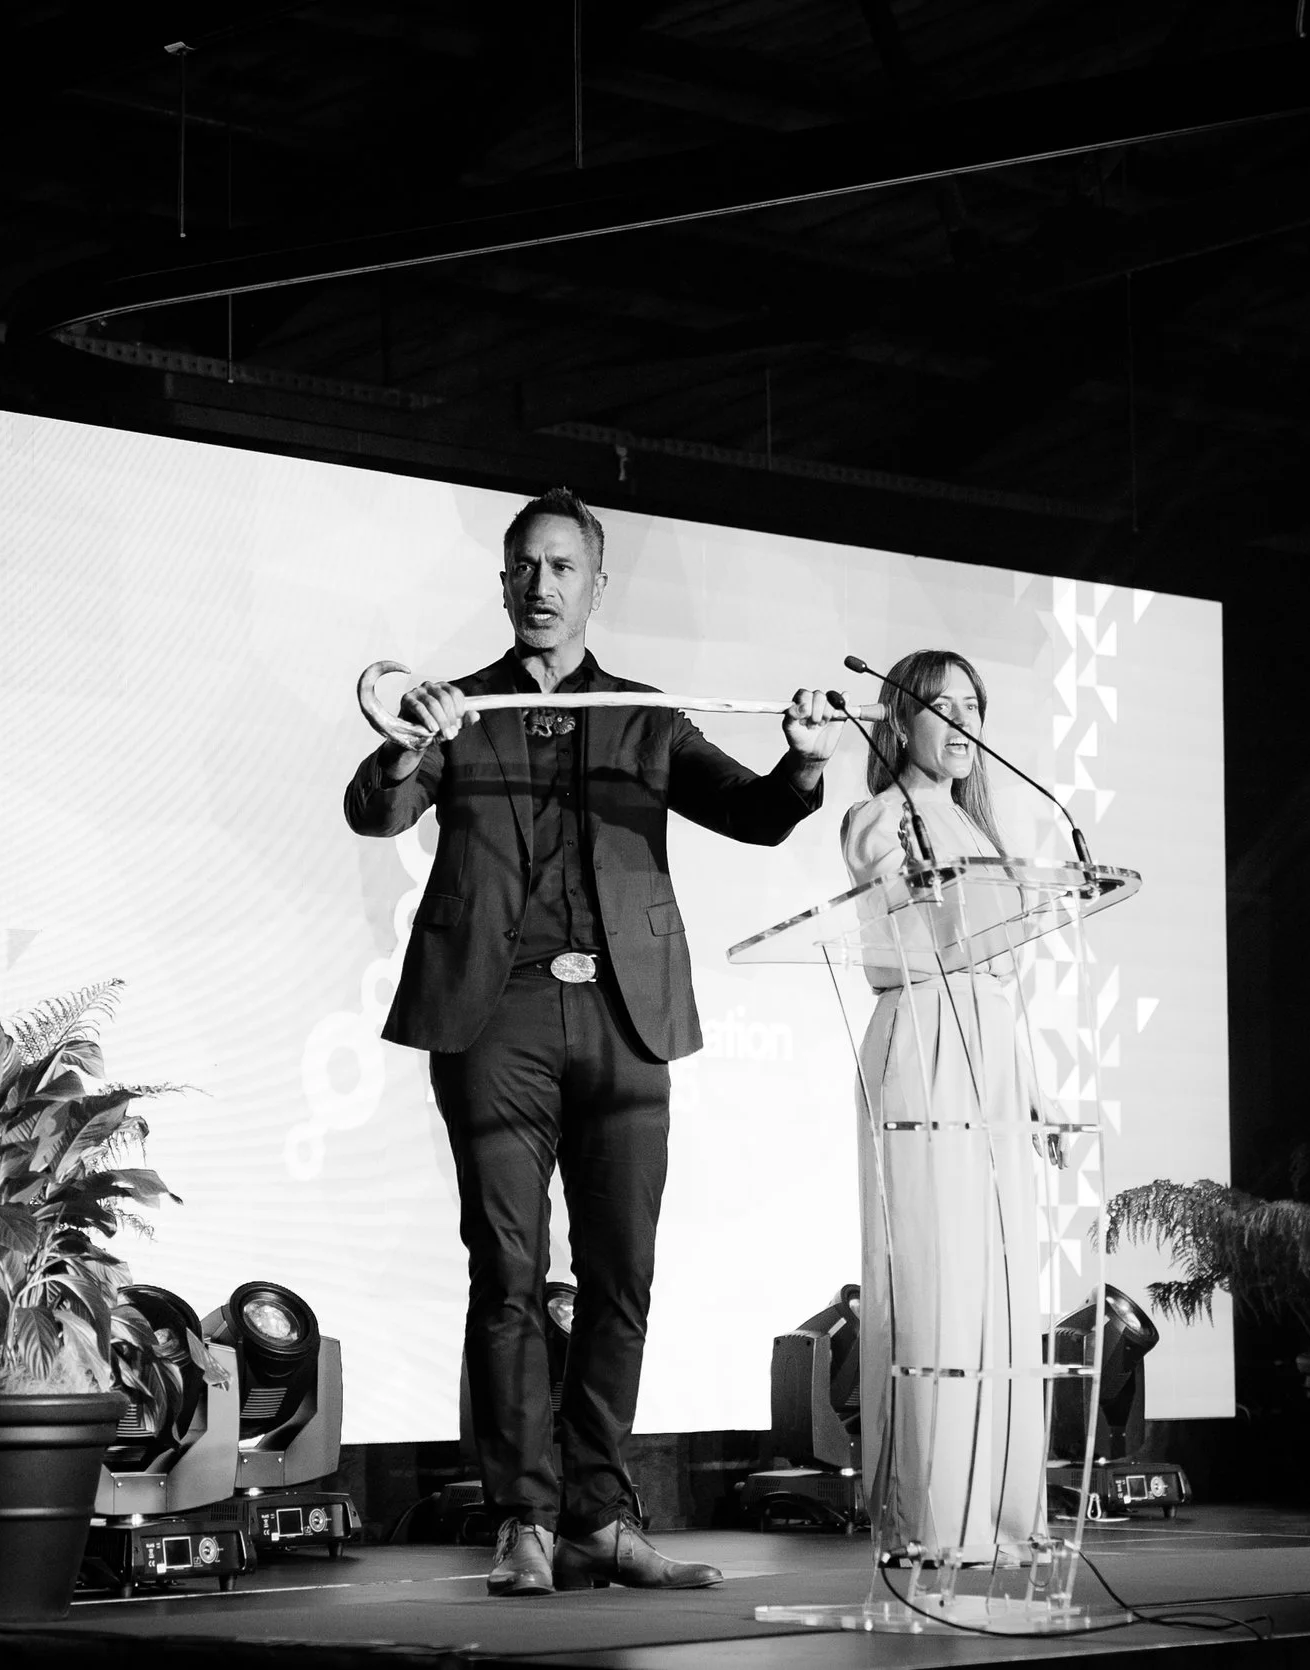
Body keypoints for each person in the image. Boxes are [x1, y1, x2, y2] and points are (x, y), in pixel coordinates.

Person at [342, 488, 839, 1596]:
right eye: (525, 565)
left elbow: (754, 812)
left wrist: (803, 760)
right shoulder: (454, 710)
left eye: (564, 567)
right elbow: (378, 812)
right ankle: (523, 1517)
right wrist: (398, 747)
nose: (542, 584)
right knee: (508, 1275)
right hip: (494, 1017)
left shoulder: (647, 714)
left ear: (594, 585)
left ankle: (598, 1514)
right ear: (504, 578)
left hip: (627, 1015)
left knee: (624, 1276)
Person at [837, 648, 1050, 1565]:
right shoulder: (881, 816)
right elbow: (880, 878)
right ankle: (937, 1514)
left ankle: (1003, 1515)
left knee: (999, 1289)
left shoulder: (981, 829)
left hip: (990, 1046)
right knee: (937, 1276)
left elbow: (1003, 968)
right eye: (942, 707)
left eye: (975, 706)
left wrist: (1034, 1092)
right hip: (923, 1035)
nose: (962, 726)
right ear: (902, 722)